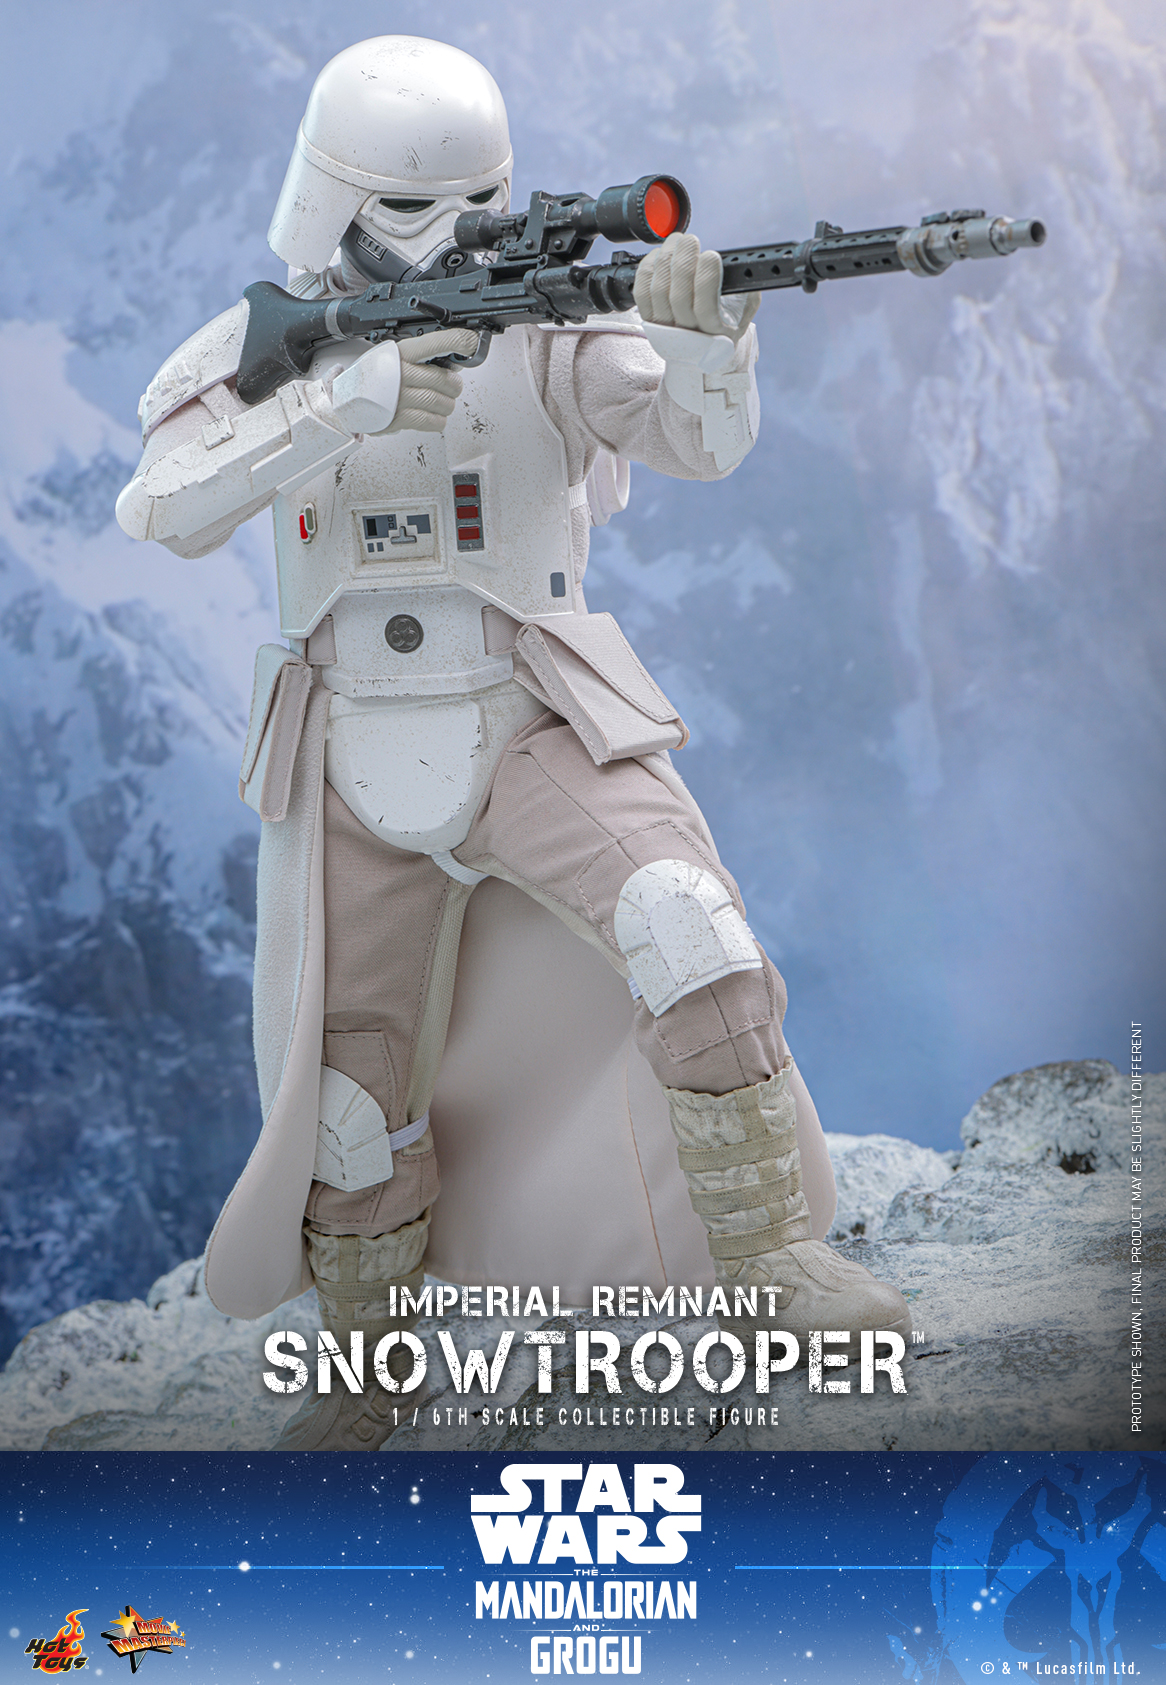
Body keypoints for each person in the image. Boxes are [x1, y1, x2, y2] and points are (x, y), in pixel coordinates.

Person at [116, 34, 911, 1449]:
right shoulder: (262, 340)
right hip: (348, 735)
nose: (455, 235)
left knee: (688, 926)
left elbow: (693, 442)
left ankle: (770, 1263)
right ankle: (368, 1367)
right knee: (353, 1095)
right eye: (413, 206)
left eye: (481, 203)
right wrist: (339, 403)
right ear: (332, 195)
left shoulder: (544, 326)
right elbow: (161, 505)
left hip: (528, 701)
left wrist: (705, 343)